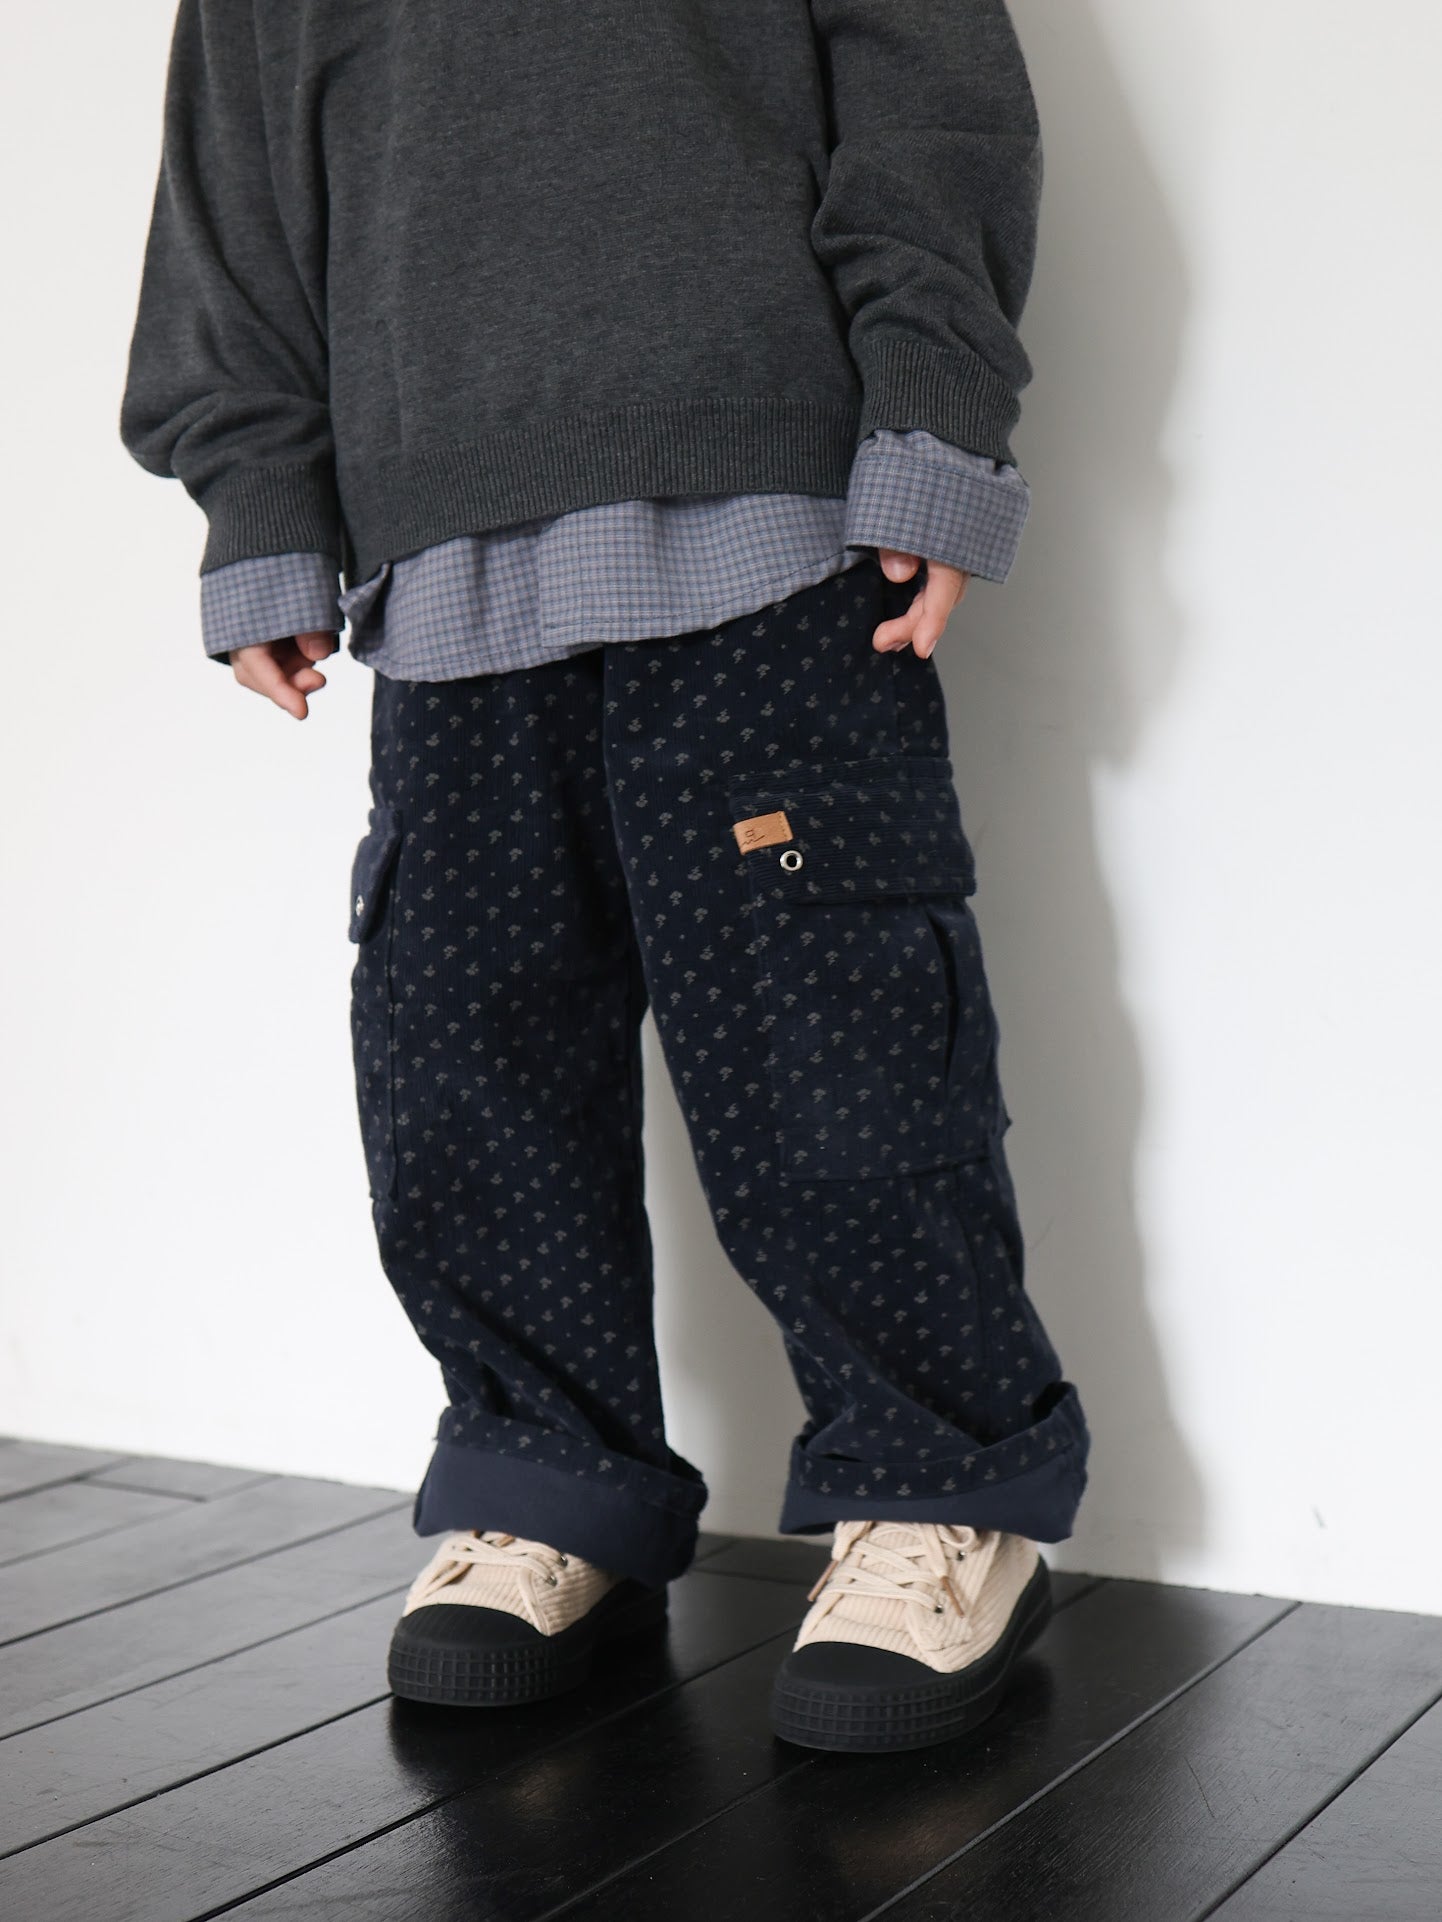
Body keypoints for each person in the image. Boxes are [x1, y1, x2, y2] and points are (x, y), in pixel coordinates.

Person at [119, 0, 1090, 1754]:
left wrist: (934, 417)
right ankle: (545, 1476)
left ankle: (939, 1486)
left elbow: (926, 96)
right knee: (461, 1050)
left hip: (774, 507)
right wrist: (258, 496)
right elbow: (232, 190)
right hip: (438, 548)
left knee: (830, 1048)